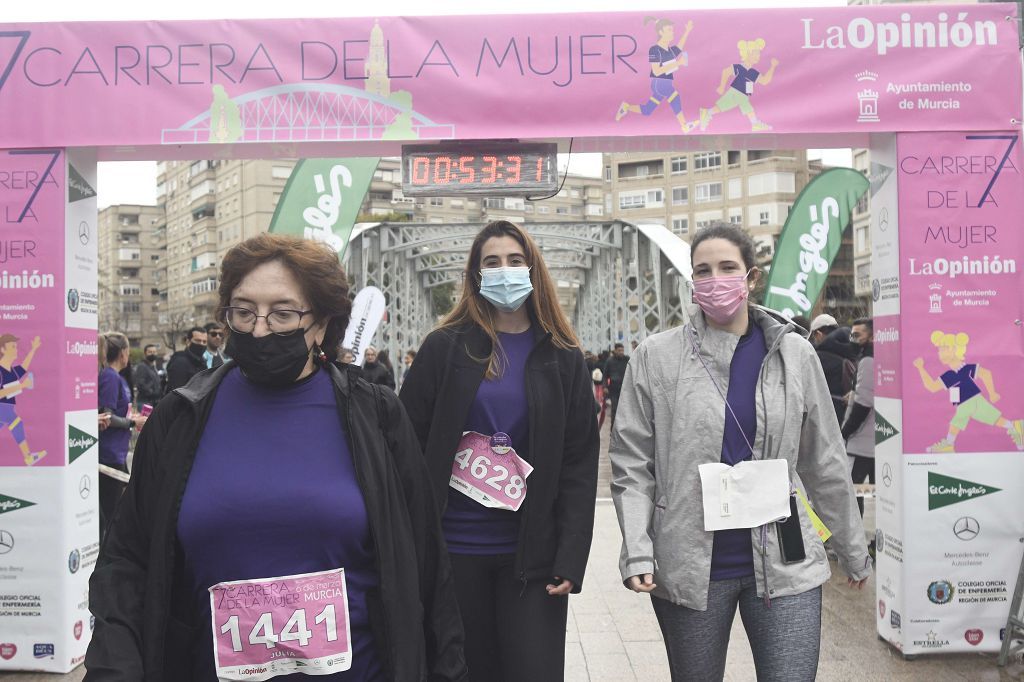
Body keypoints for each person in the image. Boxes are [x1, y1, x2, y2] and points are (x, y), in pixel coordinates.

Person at [86, 234, 467, 681]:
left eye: (283, 314)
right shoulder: (181, 416)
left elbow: (425, 561)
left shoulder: (377, 416)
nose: (260, 329)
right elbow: (127, 559)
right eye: (243, 311)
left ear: (322, 323)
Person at [610, 223, 871, 681]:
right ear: (692, 284)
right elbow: (632, 465)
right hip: (690, 566)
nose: (715, 280)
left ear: (751, 278)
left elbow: (824, 459)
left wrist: (852, 548)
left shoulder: (795, 354)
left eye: (727, 268)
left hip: (785, 560)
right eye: (703, 271)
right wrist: (637, 548)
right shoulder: (655, 357)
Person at [400, 220, 599, 682]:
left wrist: (571, 555)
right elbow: (406, 443)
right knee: (464, 671)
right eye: (491, 262)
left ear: (532, 270)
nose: (504, 270)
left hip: (531, 559)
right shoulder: (443, 349)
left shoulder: (562, 355)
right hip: (453, 552)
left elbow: (578, 462)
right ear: (475, 275)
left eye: (514, 260)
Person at [913, 330, 1024, 452]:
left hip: (970, 400)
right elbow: (932, 387)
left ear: (955, 349)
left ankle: (949, 444)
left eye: (945, 348)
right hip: (972, 402)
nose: (940, 352)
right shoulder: (949, 375)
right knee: (993, 418)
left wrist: (992, 393)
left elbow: (986, 373)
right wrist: (921, 368)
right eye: (939, 349)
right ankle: (1014, 426)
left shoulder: (964, 369)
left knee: (959, 417)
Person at [97, 332, 146, 538]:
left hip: (118, 452)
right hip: (108, 454)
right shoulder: (109, 376)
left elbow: (115, 412)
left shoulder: (118, 377)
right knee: (112, 513)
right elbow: (105, 416)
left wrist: (130, 417)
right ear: (124, 353)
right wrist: (133, 422)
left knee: (123, 508)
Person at [616, 17, 696, 133]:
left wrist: (687, 31)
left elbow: (679, 47)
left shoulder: (670, 50)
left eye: (672, 30)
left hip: (664, 83)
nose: (672, 32)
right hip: (659, 82)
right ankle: (684, 125)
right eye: (669, 30)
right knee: (675, 97)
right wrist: (678, 62)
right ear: (661, 32)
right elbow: (657, 71)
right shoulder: (654, 50)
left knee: (648, 110)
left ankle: (626, 107)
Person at [699, 39, 780, 132]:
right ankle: (755, 123)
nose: (758, 56)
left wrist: (772, 67)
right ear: (748, 54)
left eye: (759, 54)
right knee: (744, 103)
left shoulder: (753, 73)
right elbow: (726, 72)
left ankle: (707, 113)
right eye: (756, 54)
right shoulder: (740, 67)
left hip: (742, 94)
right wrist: (722, 87)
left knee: (723, 107)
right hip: (735, 92)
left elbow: (765, 81)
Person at [843, 318, 875, 518]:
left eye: (858, 335)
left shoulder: (868, 361)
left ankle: (856, 543)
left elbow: (864, 403)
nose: (852, 339)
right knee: (877, 492)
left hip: (862, 441)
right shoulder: (879, 358)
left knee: (853, 493)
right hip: (874, 441)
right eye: (851, 334)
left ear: (871, 336)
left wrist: (845, 432)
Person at [0, 333, 45, 465]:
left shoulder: (11, 370)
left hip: (7, 408)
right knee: (16, 423)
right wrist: (22, 385)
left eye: (16, 346)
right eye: (12, 347)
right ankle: (28, 457)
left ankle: (28, 457)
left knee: (15, 423)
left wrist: (33, 349)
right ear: (2, 349)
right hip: (3, 408)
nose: (16, 349)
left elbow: (23, 368)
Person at [811, 315, 858, 427]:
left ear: (818, 334)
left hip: (826, 419)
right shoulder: (855, 353)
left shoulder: (818, 358)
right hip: (850, 417)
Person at [164, 326, 208, 392]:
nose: (201, 344)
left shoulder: (201, 362)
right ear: (188, 342)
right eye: (198, 340)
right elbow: (177, 392)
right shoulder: (180, 362)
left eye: (204, 342)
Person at [603, 343, 630, 427]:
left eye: (622, 350)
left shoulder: (627, 359)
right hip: (613, 389)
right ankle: (613, 429)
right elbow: (605, 375)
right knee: (614, 409)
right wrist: (605, 387)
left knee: (625, 410)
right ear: (615, 350)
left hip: (625, 389)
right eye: (619, 350)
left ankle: (625, 428)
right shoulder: (609, 361)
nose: (621, 352)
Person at [133, 344, 163, 410]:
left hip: (154, 401)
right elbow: (140, 383)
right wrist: (151, 392)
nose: (152, 354)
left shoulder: (153, 367)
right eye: (150, 352)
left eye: (154, 352)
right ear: (145, 353)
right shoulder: (142, 366)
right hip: (145, 402)